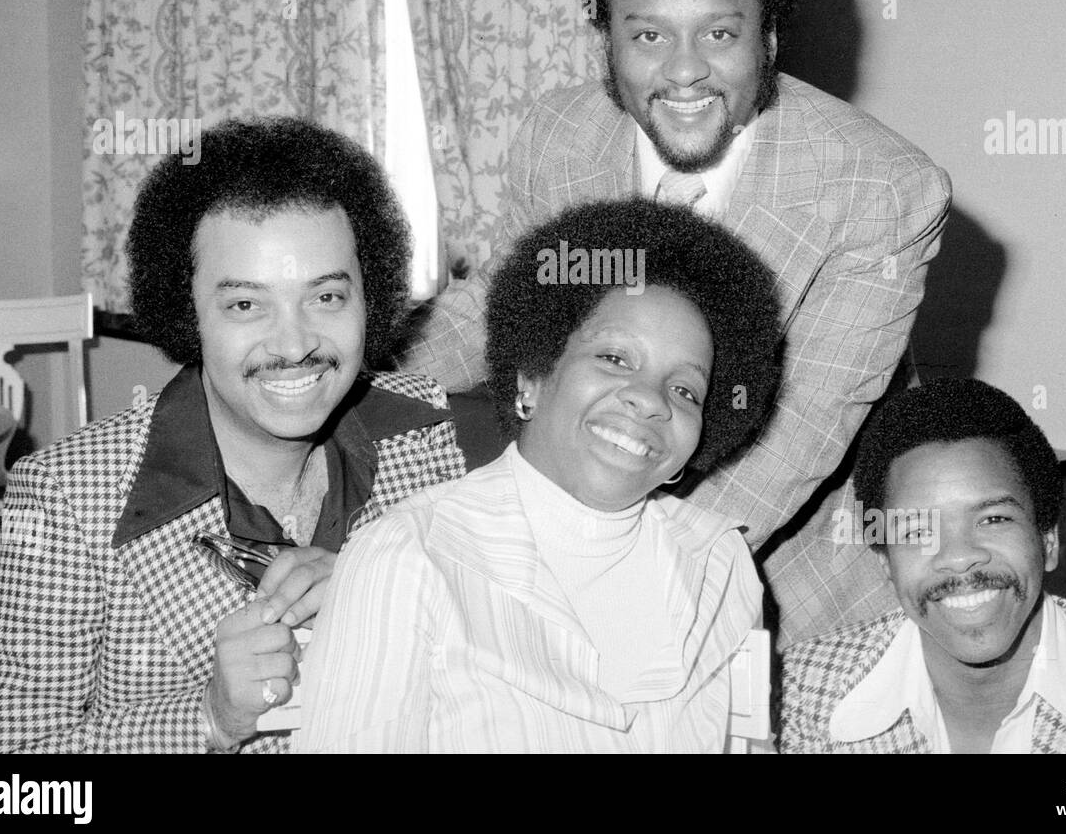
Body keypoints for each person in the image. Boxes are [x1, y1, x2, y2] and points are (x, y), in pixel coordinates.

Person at [396, 0, 952, 646]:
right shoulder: (558, 137)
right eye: (648, 35)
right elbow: (502, 304)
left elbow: (795, 436)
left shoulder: (880, 188)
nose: (684, 71)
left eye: (719, 34)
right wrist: (357, 377)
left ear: (770, 34)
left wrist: (585, 569)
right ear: (605, 35)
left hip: (798, 592)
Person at [0, 117, 467, 753]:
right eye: (246, 305)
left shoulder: (428, 434)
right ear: (186, 311)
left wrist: (392, 603)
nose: (295, 344)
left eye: (327, 296)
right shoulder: (66, 499)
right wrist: (209, 721)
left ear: (370, 296)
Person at [301, 197, 783, 752]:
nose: (650, 401)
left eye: (684, 390)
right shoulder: (408, 555)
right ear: (532, 375)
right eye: (616, 359)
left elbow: (749, 745)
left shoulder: (722, 565)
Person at [780, 379, 1066, 753]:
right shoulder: (806, 691)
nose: (958, 556)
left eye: (993, 519)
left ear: (1047, 539)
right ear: (885, 563)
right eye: (916, 531)